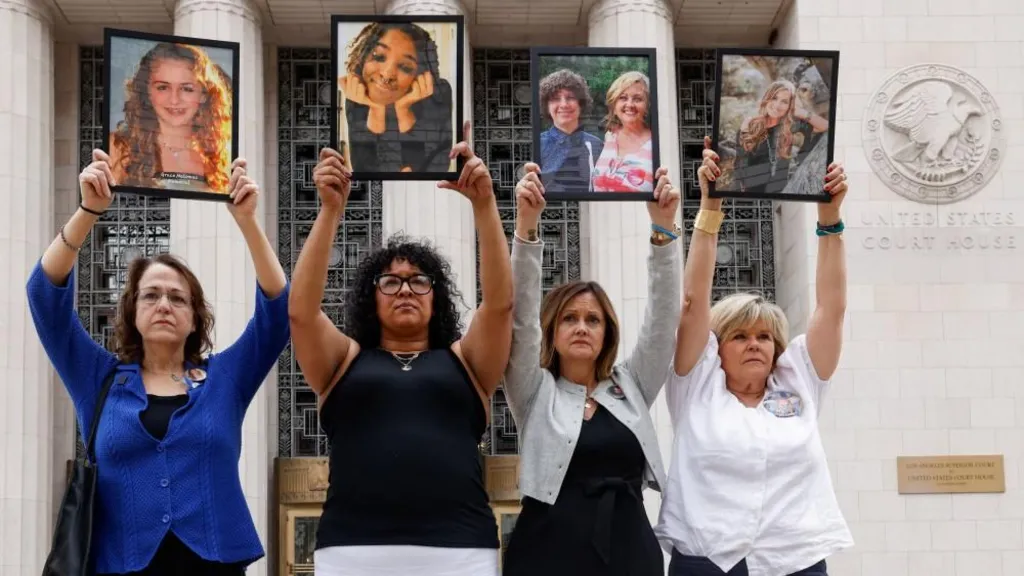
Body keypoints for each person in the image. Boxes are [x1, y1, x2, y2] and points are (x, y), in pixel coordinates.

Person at [27, 149, 290, 574]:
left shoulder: (226, 379)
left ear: (194, 318)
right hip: (120, 564)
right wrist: (88, 211)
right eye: (151, 295)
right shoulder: (99, 378)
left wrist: (247, 222)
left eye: (178, 298)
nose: (164, 304)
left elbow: (279, 313)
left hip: (213, 564)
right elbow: (44, 296)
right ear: (132, 311)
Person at [288, 122, 512, 576]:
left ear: (437, 296)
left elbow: (501, 306)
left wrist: (485, 206)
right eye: (390, 281)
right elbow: (301, 314)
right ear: (371, 297)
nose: (405, 290)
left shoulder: (466, 361)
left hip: (461, 551)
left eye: (419, 281)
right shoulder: (344, 361)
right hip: (353, 550)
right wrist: (331, 210)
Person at [655, 136, 853, 576]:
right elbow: (691, 303)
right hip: (707, 558)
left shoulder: (799, 378)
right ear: (716, 348)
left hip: (793, 558)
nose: (754, 344)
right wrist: (710, 210)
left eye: (765, 336)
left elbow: (831, 308)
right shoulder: (695, 384)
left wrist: (830, 218)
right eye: (740, 335)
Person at [501, 161, 682, 575]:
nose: (581, 327)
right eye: (570, 318)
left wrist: (664, 232)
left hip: (629, 551)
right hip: (547, 551)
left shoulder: (631, 385)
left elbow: (662, 321)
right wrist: (527, 228)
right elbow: (521, 318)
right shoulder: (534, 390)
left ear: (607, 332)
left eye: (593, 319)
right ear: (554, 328)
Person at [109, 42, 234, 194]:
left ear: (203, 95)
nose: (174, 100)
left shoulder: (219, 155)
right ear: (147, 92)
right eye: (163, 87)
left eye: (186, 88)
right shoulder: (119, 147)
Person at [339, 22, 454, 173]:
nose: (387, 75)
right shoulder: (359, 93)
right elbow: (363, 169)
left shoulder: (438, 94)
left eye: (405, 67)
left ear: (420, 75)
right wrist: (376, 110)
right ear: (364, 56)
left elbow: (433, 169)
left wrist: (403, 110)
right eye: (379, 56)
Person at [729, 79, 830, 197]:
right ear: (767, 98)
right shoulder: (750, 126)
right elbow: (739, 166)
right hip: (751, 194)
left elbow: (825, 126)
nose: (777, 105)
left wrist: (798, 111)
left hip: (780, 193)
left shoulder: (791, 127)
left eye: (784, 102)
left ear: (789, 106)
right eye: (774, 98)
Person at [537, 69, 604, 193]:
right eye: (556, 99)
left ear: (581, 104)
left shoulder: (596, 145)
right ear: (546, 106)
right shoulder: (538, 144)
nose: (564, 104)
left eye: (570, 97)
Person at [591, 71, 655, 193]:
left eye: (637, 99)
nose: (629, 104)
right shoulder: (609, 138)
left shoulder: (656, 142)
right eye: (623, 98)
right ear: (614, 106)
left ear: (647, 106)